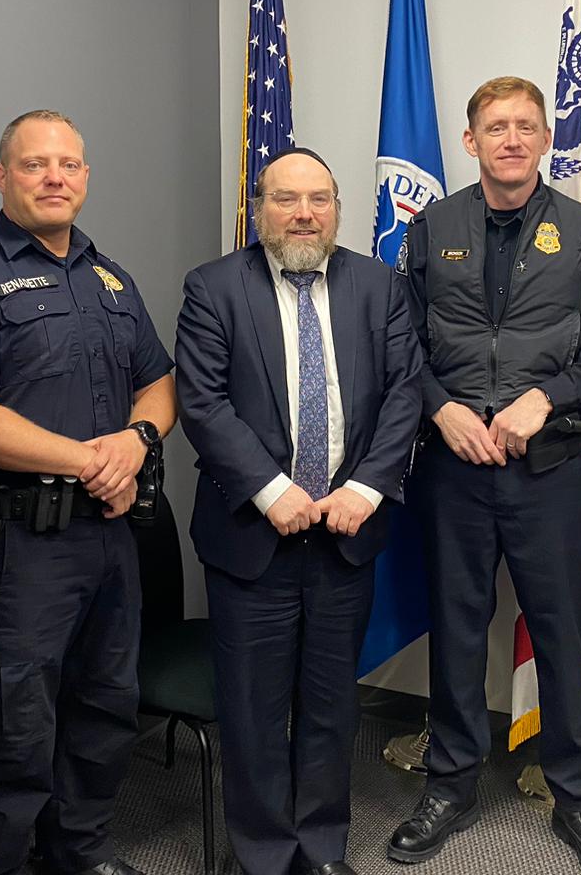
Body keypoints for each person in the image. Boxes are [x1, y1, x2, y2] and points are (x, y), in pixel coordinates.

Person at [389, 77, 581, 875]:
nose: (511, 139)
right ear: (471, 142)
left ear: (544, 141)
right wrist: (440, 408)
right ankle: (451, 783)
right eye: (495, 127)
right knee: (458, 630)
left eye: (526, 126)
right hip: (453, 469)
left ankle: (579, 797)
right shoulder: (430, 228)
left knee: (559, 629)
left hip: (551, 467)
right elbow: (397, 342)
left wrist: (544, 398)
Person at [174, 147, 423, 875]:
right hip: (253, 535)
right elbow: (203, 402)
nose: (304, 213)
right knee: (251, 712)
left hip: (348, 532)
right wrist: (272, 490)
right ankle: (262, 854)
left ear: (338, 207)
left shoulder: (379, 285)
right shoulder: (214, 287)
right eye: (286, 199)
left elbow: (406, 392)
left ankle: (319, 847)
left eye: (318, 198)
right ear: (261, 208)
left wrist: (367, 489)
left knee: (329, 704)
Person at [0, 110, 177, 875]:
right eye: (36, 164)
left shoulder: (111, 278)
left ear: (85, 177)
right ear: (3, 176)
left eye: (69, 165)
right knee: (12, 730)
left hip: (111, 538)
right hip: (20, 547)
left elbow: (159, 382)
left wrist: (137, 443)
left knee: (106, 711)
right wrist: (88, 460)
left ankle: (77, 855)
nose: (55, 178)